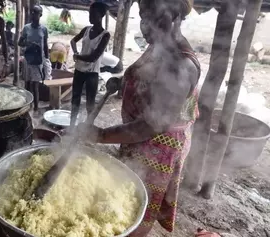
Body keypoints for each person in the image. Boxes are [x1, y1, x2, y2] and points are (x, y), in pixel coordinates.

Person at [77, 0, 200, 236]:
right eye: (142, 16)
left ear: (174, 13)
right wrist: (123, 81)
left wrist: (100, 135)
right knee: (121, 193)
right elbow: (146, 79)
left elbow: (154, 124)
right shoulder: (159, 45)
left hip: (159, 148)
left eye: (152, 16)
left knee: (136, 206)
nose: (145, 25)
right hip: (134, 135)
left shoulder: (182, 65)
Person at [69, 2, 110, 127]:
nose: (90, 16)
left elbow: (93, 57)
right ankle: (71, 126)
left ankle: (87, 128)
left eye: (93, 14)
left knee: (90, 103)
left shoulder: (105, 35)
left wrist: (77, 56)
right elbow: (73, 40)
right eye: (89, 13)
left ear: (101, 15)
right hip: (79, 70)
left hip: (92, 73)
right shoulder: (86, 30)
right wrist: (76, 51)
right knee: (75, 99)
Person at [19, 5, 49, 112]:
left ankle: (36, 108)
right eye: (32, 12)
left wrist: (47, 61)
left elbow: (45, 45)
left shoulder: (44, 30)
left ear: (40, 15)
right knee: (27, 84)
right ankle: (27, 106)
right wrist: (28, 43)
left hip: (38, 61)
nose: (33, 14)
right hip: (28, 59)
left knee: (35, 85)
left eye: (36, 12)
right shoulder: (26, 28)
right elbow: (20, 42)